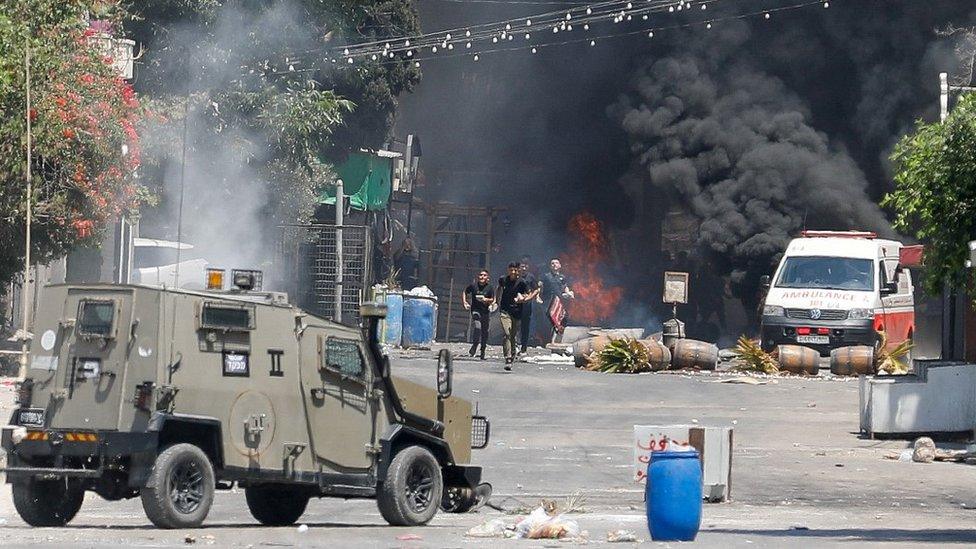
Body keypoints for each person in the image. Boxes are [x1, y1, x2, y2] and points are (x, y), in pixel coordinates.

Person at [497, 262, 529, 370]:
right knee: (507, 333)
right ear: (508, 270)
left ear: (518, 271)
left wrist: (522, 298)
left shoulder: (522, 282)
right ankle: (508, 357)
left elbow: (527, 294)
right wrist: (496, 302)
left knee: (512, 335)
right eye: (511, 270)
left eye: (515, 270)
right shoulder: (503, 280)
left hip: (516, 311)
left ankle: (513, 353)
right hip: (505, 310)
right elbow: (499, 289)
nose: (513, 272)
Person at [462, 270, 495, 360]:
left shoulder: (490, 288)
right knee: (477, 327)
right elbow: (465, 291)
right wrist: (465, 302)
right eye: (481, 275)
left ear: (487, 278)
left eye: (484, 275)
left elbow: (492, 299)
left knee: (485, 332)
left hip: (485, 311)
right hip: (475, 310)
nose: (482, 277)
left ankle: (483, 350)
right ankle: (475, 344)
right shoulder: (473, 286)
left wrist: (486, 300)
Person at [540, 258, 574, 339]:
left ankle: (558, 336)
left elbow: (565, 287)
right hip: (548, 301)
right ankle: (547, 340)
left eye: (556, 263)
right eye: (552, 263)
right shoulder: (546, 276)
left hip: (559, 301)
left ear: (560, 266)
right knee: (548, 320)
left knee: (563, 317)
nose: (554, 265)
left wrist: (568, 293)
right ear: (550, 266)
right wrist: (538, 297)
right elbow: (540, 286)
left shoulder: (562, 277)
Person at [518, 258, 541, 354]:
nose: (523, 268)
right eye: (522, 266)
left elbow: (536, 289)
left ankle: (523, 346)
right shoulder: (515, 277)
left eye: (525, 266)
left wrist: (530, 297)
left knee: (525, 326)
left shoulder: (530, 277)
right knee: (514, 325)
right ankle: (514, 345)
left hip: (527, 305)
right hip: (516, 304)